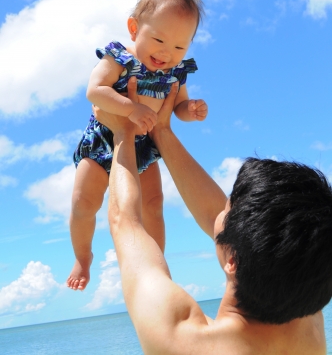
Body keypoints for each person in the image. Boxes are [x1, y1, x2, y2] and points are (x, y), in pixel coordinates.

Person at [95, 78, 332, 355]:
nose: (221, 209)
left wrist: (122, 132)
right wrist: (161, 130)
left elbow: (126, 222)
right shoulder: (307, 312)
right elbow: (225, 225)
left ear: (232, 260)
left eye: (227, 209)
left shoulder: (180, 339)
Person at [67, 0, 208, 291]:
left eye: (179, 47)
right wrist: (130, 109)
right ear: (134, 28)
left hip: (145, 144)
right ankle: (83, 256)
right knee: (83, 202)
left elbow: (178, 104)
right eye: (158, 39)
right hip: (105, 138)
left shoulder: (175, 72)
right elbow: (95, 90)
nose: (166, 53)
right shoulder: (120, 58)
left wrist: (190, 109)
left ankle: (155, 265)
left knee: (154, 205)